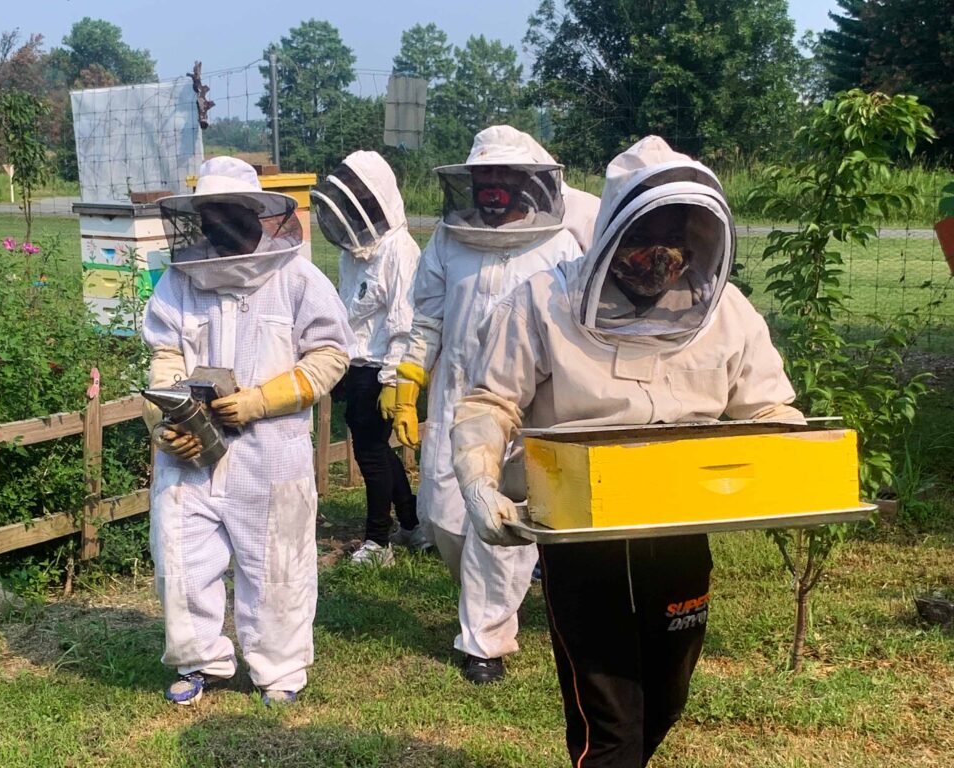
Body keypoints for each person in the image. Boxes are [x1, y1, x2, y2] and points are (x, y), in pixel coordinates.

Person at [449, 136, 803, 766]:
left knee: (665, 698)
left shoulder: (727, 312)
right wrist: (480, 483)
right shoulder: (541, 302)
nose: (661, 252)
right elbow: (490, 403)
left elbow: (768, 407)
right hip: (583, 529)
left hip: (681, 519)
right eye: (646, 232)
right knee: (608, 721)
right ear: (611, 230)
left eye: (677, 233)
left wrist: (800, 463)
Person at [142, 156, 354, 707]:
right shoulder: (179, 280)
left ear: (259, 214)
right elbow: (164, 354)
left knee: (276, 563)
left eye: (228, 211)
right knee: (183, 561)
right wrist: (170, 419)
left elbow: (331, 355)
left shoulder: (298, 277)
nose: (217, 223)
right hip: (191, 457)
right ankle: (200, 662)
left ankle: (278, 672)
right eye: (209, 213)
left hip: (270, 454)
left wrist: (264, 399)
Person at [392, 125, 583, 684]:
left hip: (526, 408)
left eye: (504, 175)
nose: (493, 186)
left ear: (528, 183)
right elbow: (425, 316)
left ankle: (486, 642)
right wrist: (405, 384)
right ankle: (489, 601)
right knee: (445, 518)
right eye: (484, 177)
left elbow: (572, 331)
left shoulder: (559, 245)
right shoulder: (449, 241)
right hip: (456, 401)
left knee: (500, 526)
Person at [311, 150, 426, 566]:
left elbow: (405, 321)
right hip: (355, 366)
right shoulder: (352, 251)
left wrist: (394, 379)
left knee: (371, 456)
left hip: (381, 369)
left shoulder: (401, 251)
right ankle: (412, 526)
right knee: (375, 450)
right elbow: (349, 310)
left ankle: (378, 542)